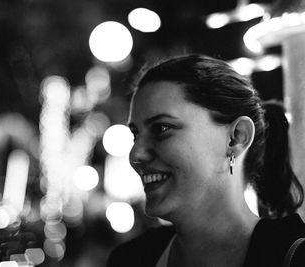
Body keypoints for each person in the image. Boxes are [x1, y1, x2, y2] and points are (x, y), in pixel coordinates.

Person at [106, 54, 305, 267]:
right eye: (135, 135)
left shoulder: (292, 256)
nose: (135, 155)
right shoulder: (129, 259)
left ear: (236, 137)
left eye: (161, 128)